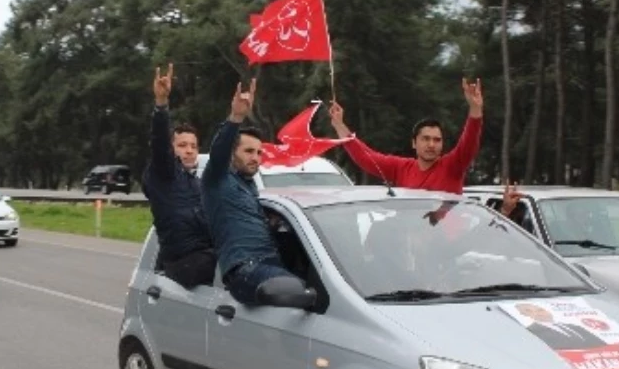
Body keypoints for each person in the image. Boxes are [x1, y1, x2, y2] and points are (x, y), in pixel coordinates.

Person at [200, 79, 315, 306]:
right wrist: (236, 117)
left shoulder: (251, 187)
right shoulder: (217, 179)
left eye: (259, 152)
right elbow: (218, 152)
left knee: (317, 290)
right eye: (249, 151)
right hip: (246, 270)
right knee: (306, 297)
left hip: (271, 264)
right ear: (232, 155)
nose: (256, 157)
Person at [327, 78, 485, 195]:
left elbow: (469, 143)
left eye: (437, 140)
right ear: (414, 143)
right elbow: (368, 158)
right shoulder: (401, 168)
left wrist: (475, 109)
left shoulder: (452, 167)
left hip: (446, 239)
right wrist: (340, 126)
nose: (431, 144)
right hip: (410, 237)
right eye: (426, 138)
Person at [141, 63, 216, 288]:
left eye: (193, 145)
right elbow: (159, 142)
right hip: (182, 264)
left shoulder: (199, 184)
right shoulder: (164, 175)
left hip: (205, 256)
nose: (189, 150)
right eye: (182, 145)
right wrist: (161, 105)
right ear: (172, 149)